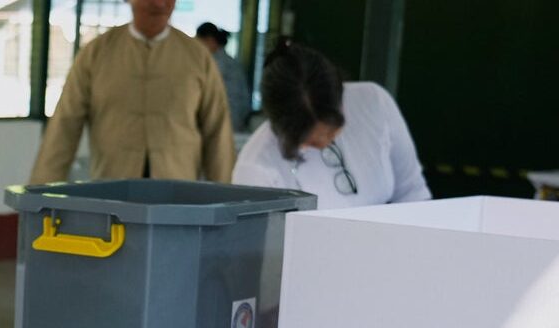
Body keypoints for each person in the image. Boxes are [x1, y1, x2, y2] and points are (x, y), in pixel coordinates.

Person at [29, 0, 235, 184]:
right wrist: (41, 191)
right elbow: (65, 125)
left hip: (177, 190)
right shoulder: (97, 53)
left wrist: (227, 197)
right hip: (112, 186)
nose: (160, 4)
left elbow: (217, 129)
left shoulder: (198, 56)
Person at [233, 40, 431, 208]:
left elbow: (412, 192)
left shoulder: (374, 103)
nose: (324, 142)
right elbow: (264, 248)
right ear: (279, 126)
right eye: (310, 141)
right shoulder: (256, 167)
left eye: (332, 130)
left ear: (341, 96)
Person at [195, 22, 251, 132]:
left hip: (227, 121)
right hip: (233, 120)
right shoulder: (226, 61)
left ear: (210, 40)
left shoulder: (218, 63)